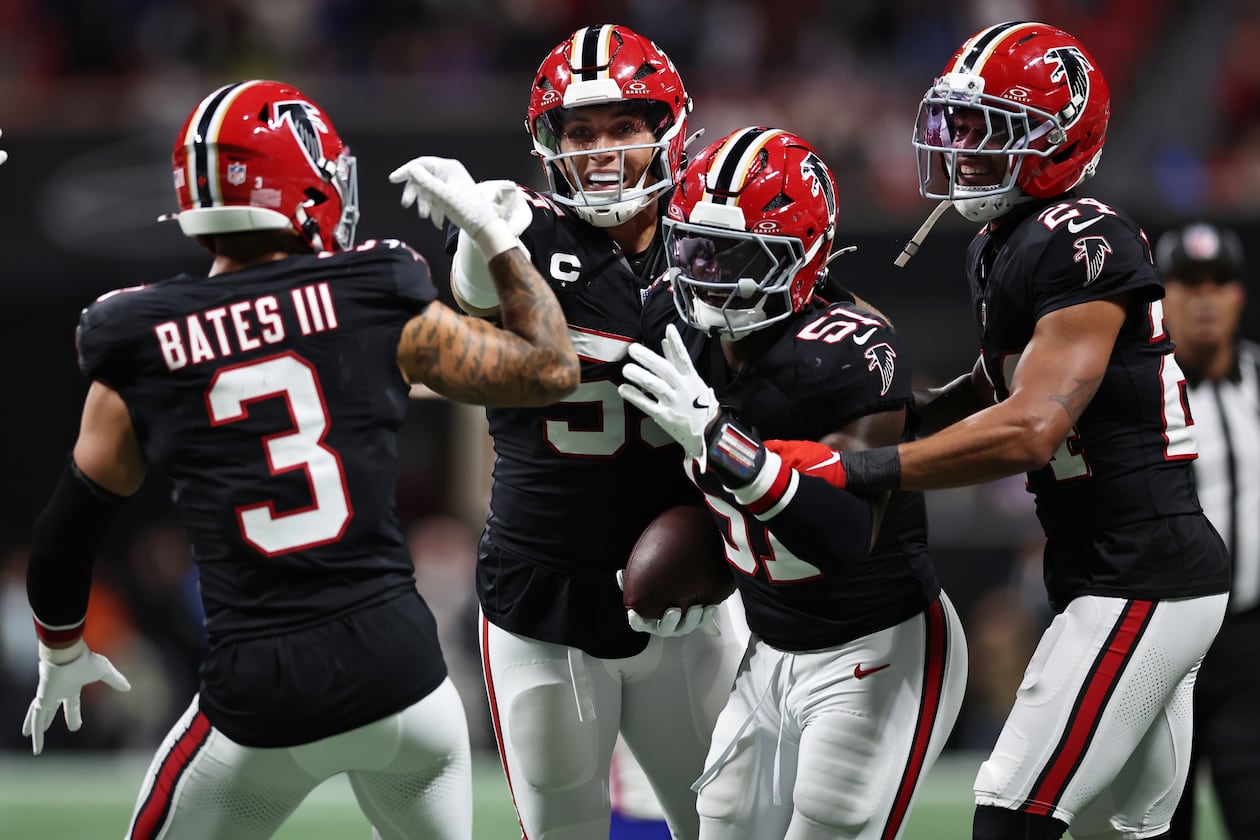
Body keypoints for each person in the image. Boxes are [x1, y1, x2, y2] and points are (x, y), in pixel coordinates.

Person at [21, 79, 578, 840]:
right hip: (406, 684)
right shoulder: (373, 292)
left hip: (264, 697)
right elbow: (551, 369)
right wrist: (496, 236)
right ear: (305, 180)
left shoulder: (141, 338)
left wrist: (60, 649)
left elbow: (66, 532)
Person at [826, 22, 1232, 840]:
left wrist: (863, 473)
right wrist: (900, 411)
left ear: (1062, 137)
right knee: (1129, 831)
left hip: (1142, 572)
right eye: (959, 124)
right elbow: (998, 384)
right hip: (1109, 565)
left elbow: (1031, 428)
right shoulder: (1004, 241)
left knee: (1012, 807)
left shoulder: (1082, 237)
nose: (964, 148)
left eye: (992, 128)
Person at [391, 23, 743, 840]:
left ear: (667, 130)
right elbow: (478, 292)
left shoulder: (720, 240)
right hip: (541, 595)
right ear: (551, 145)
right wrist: (489, 235)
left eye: (624, 126)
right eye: (580, 132)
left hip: (686, 592)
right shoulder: (523, 240)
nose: (602, 150)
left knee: (734, 825)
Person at [618, 126, 968, 840]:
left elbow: (846, 534)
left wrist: (721, 443)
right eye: (696, 248)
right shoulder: (672, 322)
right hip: (771, 644)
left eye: (740, 256)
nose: (710, 276)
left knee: (832, 823)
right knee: (720, 823)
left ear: (803, 258)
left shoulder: (849, 352)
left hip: (875, 642)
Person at [1157, 223, 1260, 840]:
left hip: (1251, 641)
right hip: (1164, 645)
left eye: (1218, 281)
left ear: (1238, 295)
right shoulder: (1141, 391)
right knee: (1160, 818)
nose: (1204, 297)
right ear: (1163, 295)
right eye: (1188, 282)